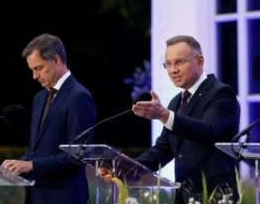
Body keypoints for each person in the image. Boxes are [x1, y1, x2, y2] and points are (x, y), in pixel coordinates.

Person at [102, 35, 240, 203]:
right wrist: (122, 169)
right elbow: (163, 149)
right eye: (168, 64)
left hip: (216, 195)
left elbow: (208, 130)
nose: (173, 70)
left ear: (200, 61)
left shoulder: (221, 93)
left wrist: (164, 115)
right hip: (185, 196)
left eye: (180, 62)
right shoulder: (176, 102)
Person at [1, 33, 97, 204]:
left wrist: (32, 165)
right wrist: (19, 164)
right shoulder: (39, 98)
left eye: (38, 68)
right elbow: (36, 150)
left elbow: (79, 154)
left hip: (65, 197)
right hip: (37, 195)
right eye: (32, 70)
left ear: (56, 60)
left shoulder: (78, 97)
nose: (34, 76)